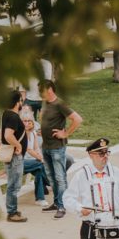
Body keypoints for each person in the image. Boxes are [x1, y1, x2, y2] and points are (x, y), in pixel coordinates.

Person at [39, 79, 83, 219]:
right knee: (51, 177)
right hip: (45, 146)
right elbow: (47, 121)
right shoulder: (46, 103)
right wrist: (42, 130)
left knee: (60, 177)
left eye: (42, 90)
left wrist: (66, 133)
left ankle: (63, 206)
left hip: (57, 148)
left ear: (50, 89)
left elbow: (77, 119)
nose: (40, 93)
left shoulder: (60, 104)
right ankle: (57, 202)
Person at [1, 90, 28, 223]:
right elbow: (8, 135)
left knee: (14, 184)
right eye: (21, 100)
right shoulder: (12, 116)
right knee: (14, 185)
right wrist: (19, 145)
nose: (22, 103)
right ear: (17, 102)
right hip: (14, 156)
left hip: (13, 156)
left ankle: (13, 210)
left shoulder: (7, 113)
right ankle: (12, 213)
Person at [20, 107, 49, 207]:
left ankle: (40, 199)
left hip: (31, 161)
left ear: (33, 122)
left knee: (39, 170)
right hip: (19, 163)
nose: (27, 123)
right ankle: (51, 182)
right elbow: (29, 149)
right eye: (24, 121)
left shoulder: (33, 133)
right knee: (41, 165)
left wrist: (40, 156)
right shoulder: (20, 134)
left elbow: (36, 148)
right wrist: (41, 159)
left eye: (29, 121)